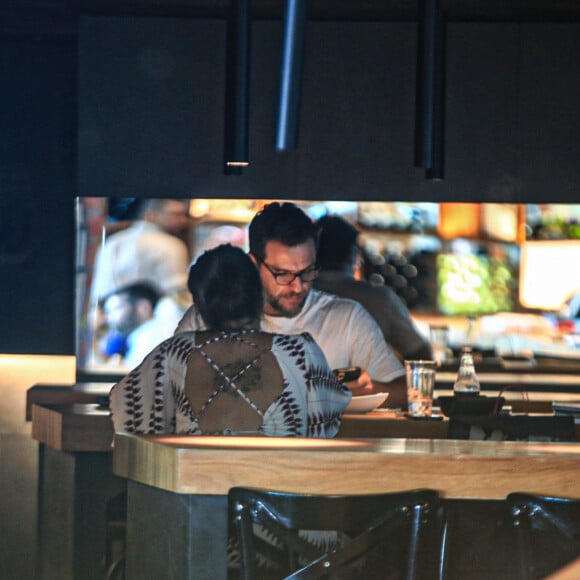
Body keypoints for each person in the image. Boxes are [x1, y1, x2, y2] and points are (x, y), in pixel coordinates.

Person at [175, 202, 407, 408]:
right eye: (282, 274)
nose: (297, 287)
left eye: (306, 272)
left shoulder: (347, 318)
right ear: (253, 263)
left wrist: (369, 389)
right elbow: (169, 384)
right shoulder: (209, 315)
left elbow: (405, 392)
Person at [110, 244, 351, 436]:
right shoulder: (301, 353)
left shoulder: (172, 354)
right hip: (280, 494)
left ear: (200, 306)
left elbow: (124, 411)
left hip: (191, 494)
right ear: (258, 297)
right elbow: (330, 417)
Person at [314, 214, 433, 362]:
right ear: (353, 255)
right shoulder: (380, 299)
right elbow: (420, 355)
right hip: (368, 385)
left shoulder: (293, 296)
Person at [88, 198, 191, 364]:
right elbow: (178, 298)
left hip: (113, 320)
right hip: (155, 328)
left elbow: (99, 292)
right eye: (175, 214)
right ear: (151, 215)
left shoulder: (113, 242)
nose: (182, 220)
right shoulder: (173, 246)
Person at [99, 282, 166, 369]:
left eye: (116, 309)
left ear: (144, 308)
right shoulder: (138, 338)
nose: (108, 318)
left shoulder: (147, 339)